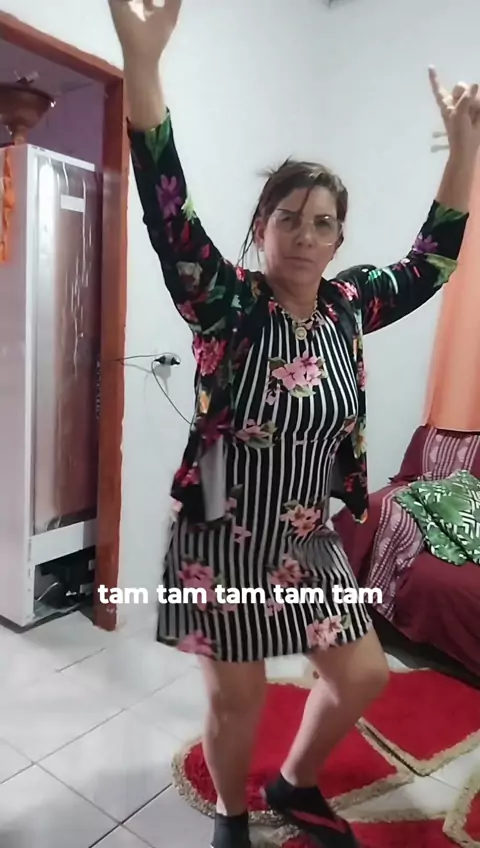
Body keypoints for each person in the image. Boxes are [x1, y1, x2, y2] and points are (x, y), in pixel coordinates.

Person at [108, 2, 480, 846]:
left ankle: (294, 782)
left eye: (323, 223)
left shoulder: (349, 306)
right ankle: (232, 814)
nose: (306, 236)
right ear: (261, 227)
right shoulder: (225, 300)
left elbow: (432, 261)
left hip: (308, 533)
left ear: (339, 238)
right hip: (222, 531)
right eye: (289, 218)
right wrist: (145, 68)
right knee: (237, 699)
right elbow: (168, 210)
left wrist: (464, 149)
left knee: (363, 674)